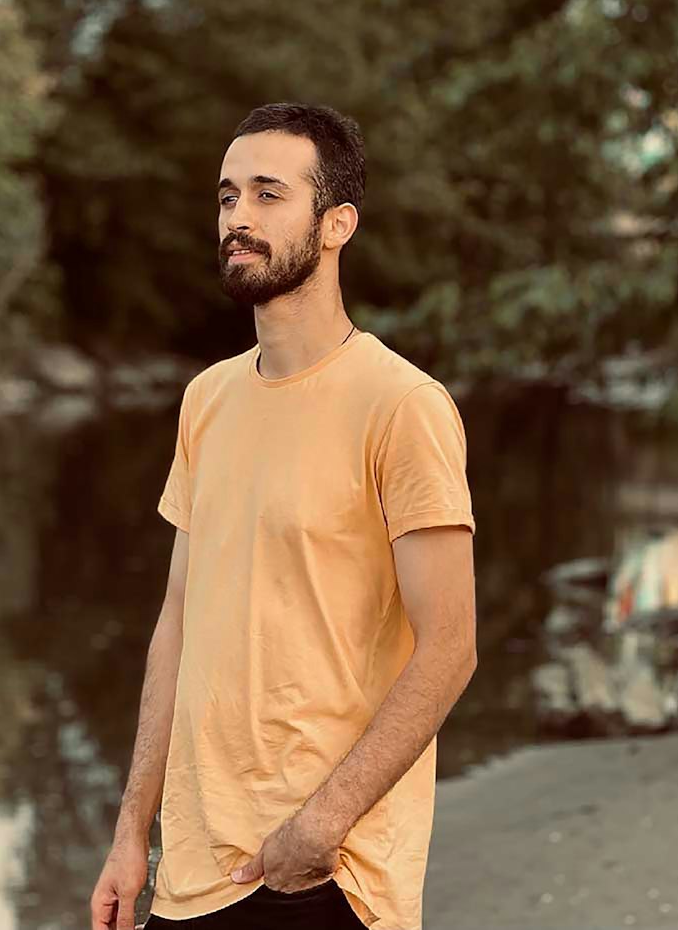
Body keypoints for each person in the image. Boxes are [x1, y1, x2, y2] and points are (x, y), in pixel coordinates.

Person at [90, 102, 477, 930]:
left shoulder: (402, 405)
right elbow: (177, 621)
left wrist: (322, 824)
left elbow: (450, 646)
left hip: (325, 875)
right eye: (228, 196)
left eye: (269, 194)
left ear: (336, 223)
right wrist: (133, 832)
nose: (239, 218)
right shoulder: (207, 400)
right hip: (195, 872)